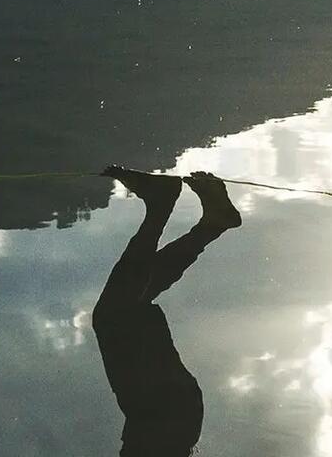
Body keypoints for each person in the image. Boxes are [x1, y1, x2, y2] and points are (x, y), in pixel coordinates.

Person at [93, 167, 243, 456]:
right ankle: (163, 205)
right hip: (162, 417)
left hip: (170, 415)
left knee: (130, 304)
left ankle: (211, 223)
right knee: (114, 315)